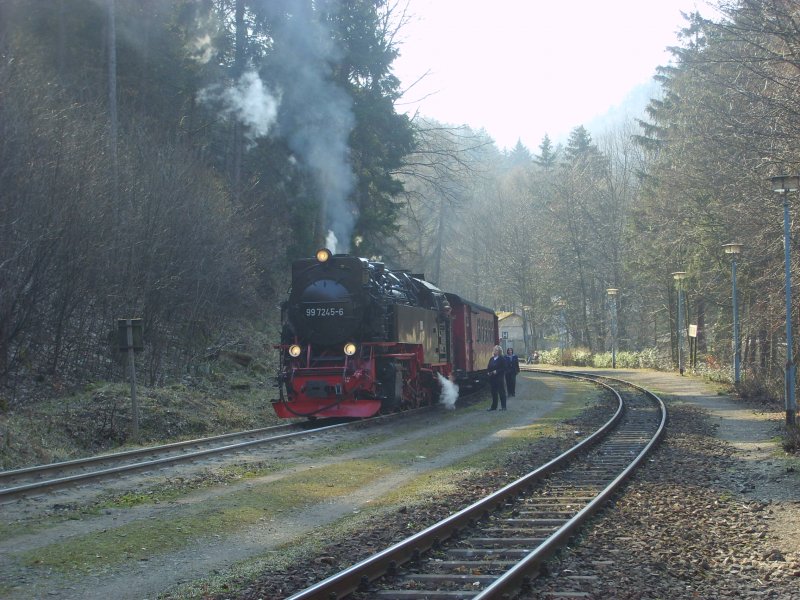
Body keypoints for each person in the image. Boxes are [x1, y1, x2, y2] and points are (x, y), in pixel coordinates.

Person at [486, 345, 507, 411]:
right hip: (492, 378)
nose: (495, 351)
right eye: (494, 350)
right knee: (493, 392)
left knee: (501, 392)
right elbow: (488, 367)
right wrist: (488, 372)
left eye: (496, 350)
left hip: (499, 378)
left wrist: (497, 371)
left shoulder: (502, 358)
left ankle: (504, 407)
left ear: (499, 351)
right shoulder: (491, 359)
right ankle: (494, 407)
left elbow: (504, 368)